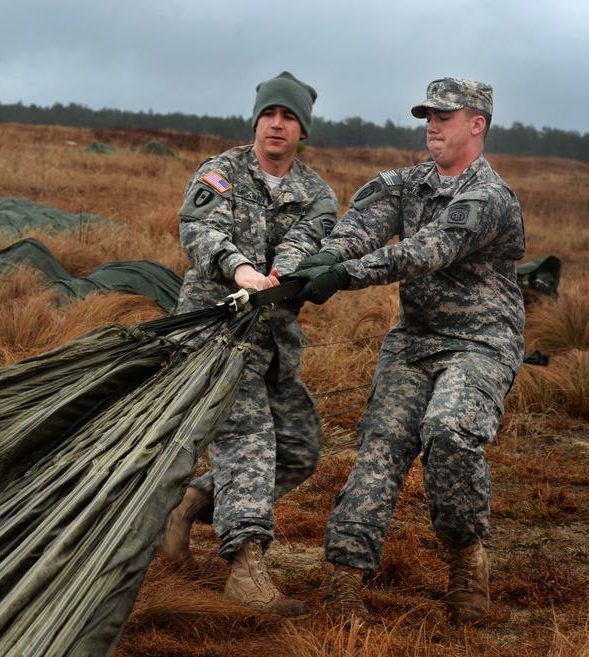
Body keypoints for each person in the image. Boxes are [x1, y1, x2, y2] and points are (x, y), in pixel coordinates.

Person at [290, 77, 526, 625]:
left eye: (446, 116)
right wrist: (324, 260)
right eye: (429, 116)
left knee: (447, 431)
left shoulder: (488, 197)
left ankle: (467, 555)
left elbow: (427, 251)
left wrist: (345, 275)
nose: (433, 126)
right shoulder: (403, 183)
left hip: (480, 344)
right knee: (382, 442)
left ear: (477, 124)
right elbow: (360, 228)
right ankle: (345, 581)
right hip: (414, 341)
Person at [159, 71, 338, 616]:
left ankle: (192, 501)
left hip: (274, 343)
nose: (276, 125)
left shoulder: (317, 194)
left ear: (302, 130)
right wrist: (238, 268)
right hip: (215, 336)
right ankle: (245, 568)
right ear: (256, 120)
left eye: (288, 117)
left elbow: (308, 242)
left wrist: (281, 274)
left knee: (300, 448)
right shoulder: (220, 172)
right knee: (249, 438)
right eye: (269, 114)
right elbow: (199, 230)